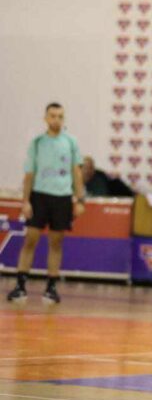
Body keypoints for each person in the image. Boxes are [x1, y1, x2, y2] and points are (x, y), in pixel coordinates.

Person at [7, 103, 85, 305]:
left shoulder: (71, 142)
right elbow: (29, 174)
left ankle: (51, 287)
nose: (56, 119)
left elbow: (76, 172)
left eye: (60, 116)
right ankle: (20, 285)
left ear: (63, 118)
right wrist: (26, 201)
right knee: (30, 239)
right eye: (52, 115)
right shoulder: (37, 143)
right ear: (46, 118)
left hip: (62, 198)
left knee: (56, 242)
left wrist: (80, 199)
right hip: (39, 196)